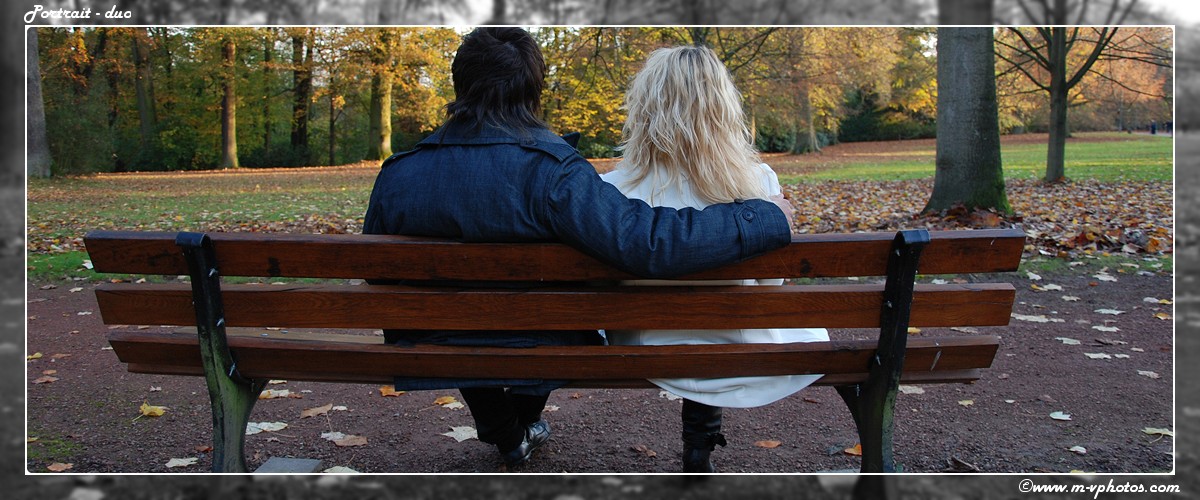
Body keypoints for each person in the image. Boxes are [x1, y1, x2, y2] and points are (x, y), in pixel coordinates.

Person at [362, 28, 795, 469]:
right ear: (534, 88)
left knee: (466, 323)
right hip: (541, 336)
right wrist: (763, 217)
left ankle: (504, 431)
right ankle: (512, 428)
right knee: (534, 317)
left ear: (459, 84)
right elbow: (643, 241)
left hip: (428, 338)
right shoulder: (553, 171)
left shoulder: (397, 172)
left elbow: (377, 274)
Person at [600, 45, 829, 473]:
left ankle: (698, 442)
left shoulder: (610, 189)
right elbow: (771, 283)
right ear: (722, 107)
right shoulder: (758, 182)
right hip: (739, 342)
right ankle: (699, 444)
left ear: (645, 108)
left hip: (645, 344)